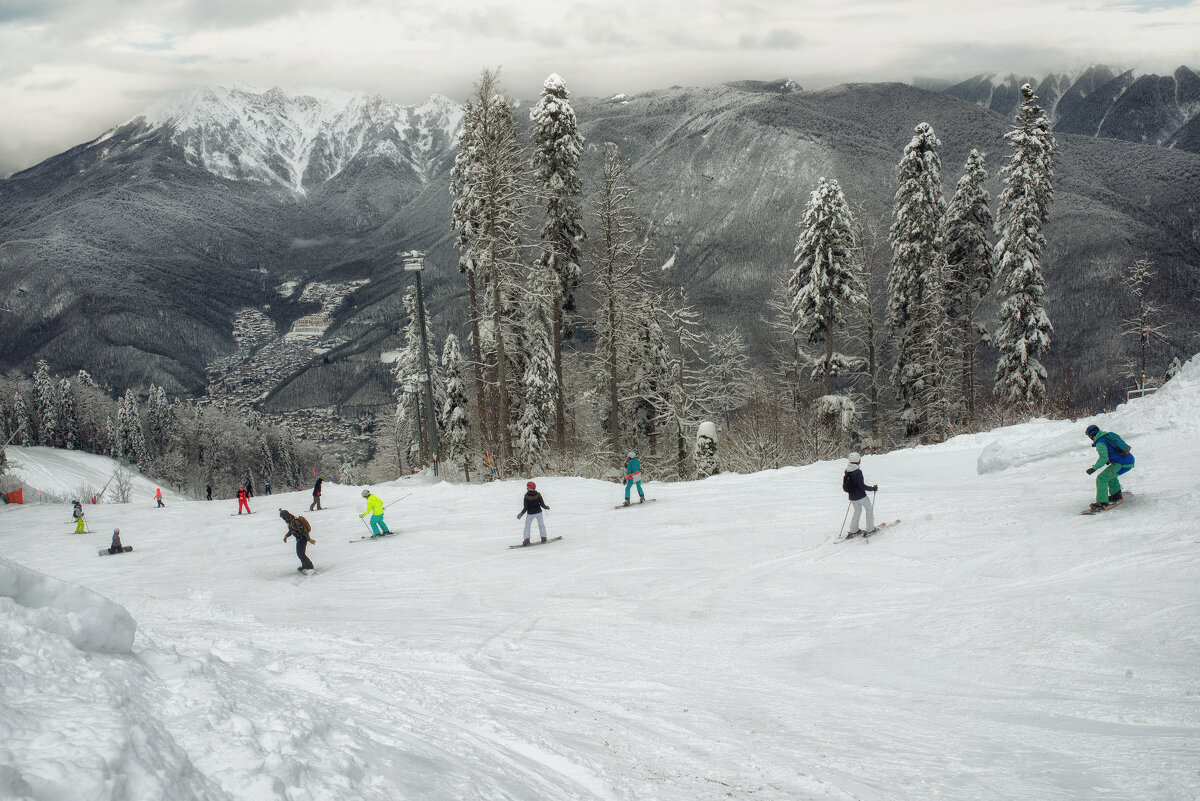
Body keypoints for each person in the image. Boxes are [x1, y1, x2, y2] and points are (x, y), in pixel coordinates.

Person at [1086, 424, 1134, 511]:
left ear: (1091, 436)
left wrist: (1094, 468)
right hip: (1128, 460)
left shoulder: (1100, 442)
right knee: (1110, 475)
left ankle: (1102, 503)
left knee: (1101, 478)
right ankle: (1116, 495)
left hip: (1121, 463)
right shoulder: (1106, 436)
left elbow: (1103, 458)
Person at [843, 452, 879, 536]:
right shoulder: (858, 471)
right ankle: (870, 529)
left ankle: (853, 530)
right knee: (869, 509)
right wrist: (872, 488)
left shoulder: (847, 470)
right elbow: (861, 486)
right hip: (861, 496)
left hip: (852, 497)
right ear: (857, 460)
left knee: (857, 511)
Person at [517, 481, 550, 546]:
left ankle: (526, 540)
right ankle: (543, 538)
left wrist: (521, 514)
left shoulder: (526, 496)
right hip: (539, 512)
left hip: (530, 514)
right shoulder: (538, 494)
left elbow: (525, 508)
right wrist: (546, 507)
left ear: (528, 488)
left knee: (527, 527)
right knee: (541, 525)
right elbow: (542, 504)